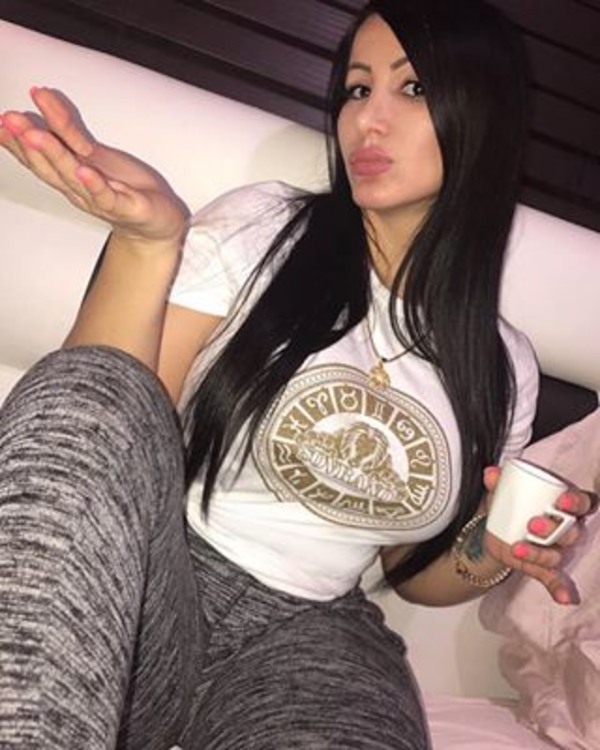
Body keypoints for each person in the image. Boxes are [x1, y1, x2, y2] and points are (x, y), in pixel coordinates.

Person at [0, 1, 596, 748]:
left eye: (412, 89)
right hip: (153, 587)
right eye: (357, 88)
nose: (367, 120)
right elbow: (109, 423)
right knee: (88, 387)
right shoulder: (265, 229)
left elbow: (412, 573)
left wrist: (490, 552)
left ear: (485, 113)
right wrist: (144, 246)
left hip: (314, 640)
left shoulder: (504, 366)